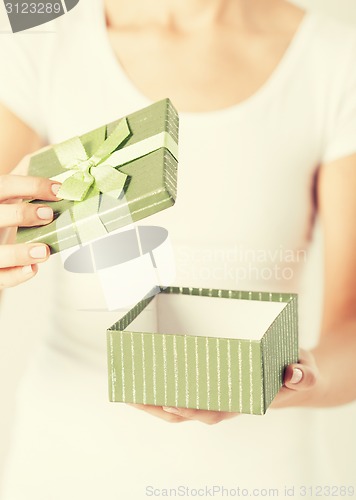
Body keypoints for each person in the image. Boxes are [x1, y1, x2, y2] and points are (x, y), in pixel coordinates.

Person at [0, 0, 355, 498]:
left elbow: (352, 334)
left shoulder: (336, 58)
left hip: (264, 474)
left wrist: (294, 378)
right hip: (67, 463)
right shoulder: (40, 32)